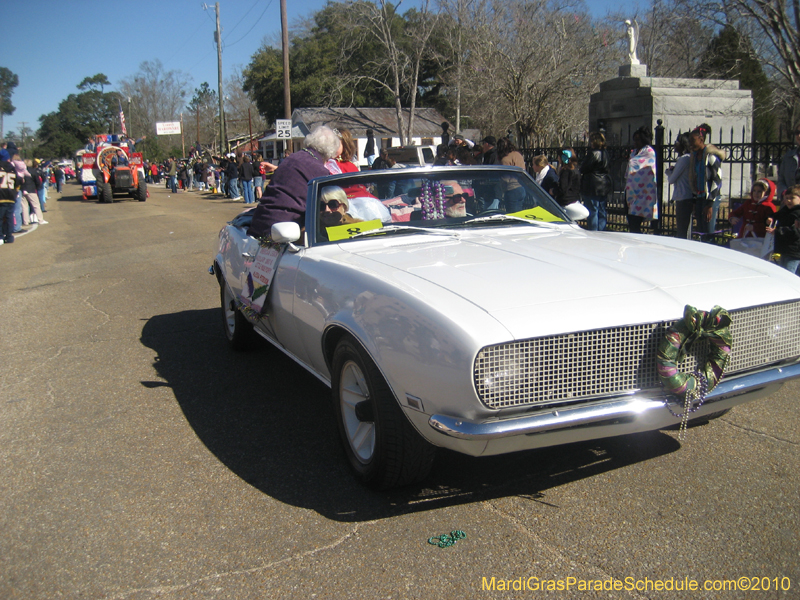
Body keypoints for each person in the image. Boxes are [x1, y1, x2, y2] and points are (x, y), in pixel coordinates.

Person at [248, 126, 341, 239]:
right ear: (329, 153)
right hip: (282, 230)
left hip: (261, 221)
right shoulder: (319, 170)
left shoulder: (292, 158)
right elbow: (326, 203)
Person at [688, 123, 726, 238]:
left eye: (693, 140)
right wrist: (695, 200)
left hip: (710, 199)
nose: (690, 144)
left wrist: (710, 204)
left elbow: (717, 180)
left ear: (701, 139)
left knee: (708, 231)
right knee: (701, 231)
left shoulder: (711, 157)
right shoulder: (694, 157)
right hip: (699, 198)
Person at [625, 126, 658, 233]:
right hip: (630, 191)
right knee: (631, 222)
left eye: (638, 140)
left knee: (635, 223)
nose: (635, 142)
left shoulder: (649, 152)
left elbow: (648, 171)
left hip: (643, 193)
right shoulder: (633, 152)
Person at [579, 132, 612, 231]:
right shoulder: (605, 153)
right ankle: (601, 231)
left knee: (592, 211)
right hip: (604, 184)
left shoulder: (593, 153)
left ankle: (593, 232)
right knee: (601, 211)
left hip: (593, 185)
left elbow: (583, 168)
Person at [665, 133, 694, 239]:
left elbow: (672, 179)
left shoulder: (684, 159)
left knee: (682, 230)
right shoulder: (688, 158)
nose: (674, 146)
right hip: (686, 196)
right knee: (685, 228)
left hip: (683, 197)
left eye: (676, 142)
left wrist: (668, 172)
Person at [766, 185, 800, 274]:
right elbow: (776, 216)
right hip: (785, 249)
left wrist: (777, 232)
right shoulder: (785, 210)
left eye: (792, 198)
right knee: (784, 272)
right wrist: (769, 219)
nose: (788, 201)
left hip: (795, 251)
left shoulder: (798, 213)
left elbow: (796, 231)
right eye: (786, 198)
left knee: (788, 274)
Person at [497, 137, 526, 213]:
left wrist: (501, 190)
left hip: (511, 189)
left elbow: (505, 179)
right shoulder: (518, 154)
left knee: (513, 215)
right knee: (519, 213)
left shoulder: (505, 159)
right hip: (521, 188)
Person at [777, 122, 800, 200]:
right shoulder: (788, 156)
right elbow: (781, 179)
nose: (799, 136)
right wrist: (784, 193)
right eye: (797, 133)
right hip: (788, 203)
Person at [0, 156, 18, 244]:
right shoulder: (12, 168)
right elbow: (19, 181)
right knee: (9, 217)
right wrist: (15, 192)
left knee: (0, 217)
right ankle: (9, 236)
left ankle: (0, 236)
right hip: (11, 196)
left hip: (1, 196)